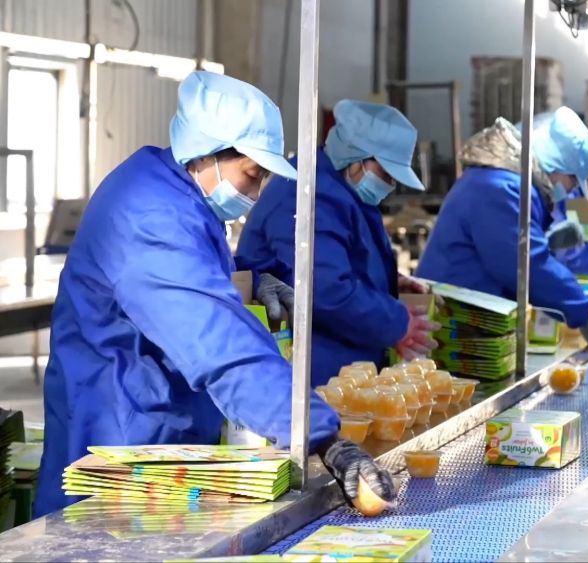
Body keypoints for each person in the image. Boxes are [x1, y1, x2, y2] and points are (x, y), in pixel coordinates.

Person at [36, 72, 393, 517]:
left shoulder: (170, 188)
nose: (255, 193)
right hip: (121, 430)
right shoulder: (150, 214)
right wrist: (323, 437)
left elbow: (188, 280)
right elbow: (217, 340)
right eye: (252, 174)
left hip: (155, 412)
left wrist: (249, 278)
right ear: (205, 152)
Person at [236, 100, 439, 385]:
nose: (390, 185)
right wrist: (396, 323)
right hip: (309, 369)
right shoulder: (310, 194)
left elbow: (347, 255)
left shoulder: (342, 189)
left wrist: (388, 282)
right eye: (385, 174)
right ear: (356, 158)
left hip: (338, 364)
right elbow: (324, 288)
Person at [416, 107, 588, 351]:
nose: (571, 190)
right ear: (555, 164)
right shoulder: (502, 188)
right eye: (573, 179)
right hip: (451, 321)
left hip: (465, 317)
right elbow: (525, 266)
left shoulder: (506, 182)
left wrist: (545, 242)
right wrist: (581, 311)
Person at [532, 111, 588, 277]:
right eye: (574, 179)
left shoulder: (561, 186)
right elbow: (567, 255)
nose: (574, 186)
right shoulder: (530, 193)